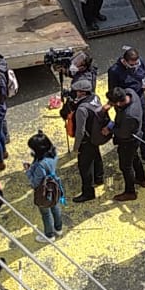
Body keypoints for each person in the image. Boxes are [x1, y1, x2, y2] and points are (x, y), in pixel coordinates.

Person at [61, 73, 105, 202]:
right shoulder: (95, 98)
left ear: (82, 93)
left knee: (84, 166)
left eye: (76, 91)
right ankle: (99, 177)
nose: (74, 93)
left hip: (86, 140)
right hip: (95, 135)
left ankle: (88, 192)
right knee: (96, 155)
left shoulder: (81, 110)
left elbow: (80, 131)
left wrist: (76, 148)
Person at [102, 85, 145, 202]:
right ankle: (141, 179)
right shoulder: (130, 92)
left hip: (129, 140)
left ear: (118, 103)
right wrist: (111, 104)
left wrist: (109, 128)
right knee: (134, 157)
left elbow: (122, 133)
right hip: (136, 135)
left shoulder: (129, 116)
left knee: (126, 166)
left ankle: (130, 192)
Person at [24, 131, 64, 242]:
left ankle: (49, 235)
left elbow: (35, 182)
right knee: (56, 207)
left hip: (43, 191)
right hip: (55, 186)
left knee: (46, 214)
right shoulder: (53, 154)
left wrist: (28, 171)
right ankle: (59, 228)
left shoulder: (40, 165)